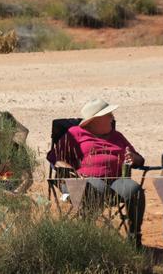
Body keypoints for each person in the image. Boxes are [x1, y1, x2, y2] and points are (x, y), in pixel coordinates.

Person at [47, 98, 146, 246]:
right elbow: (54, 157)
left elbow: (140, 160)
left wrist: (133, 158)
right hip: (82, 183)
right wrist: (70, 170)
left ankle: (134, 237)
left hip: (116, 182)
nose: (113, 118)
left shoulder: (117, 136)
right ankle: (89, 238)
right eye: (109, 115)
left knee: (135, 190)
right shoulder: (75, 134)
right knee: (95, 187)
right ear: (95, 120)